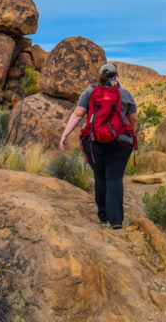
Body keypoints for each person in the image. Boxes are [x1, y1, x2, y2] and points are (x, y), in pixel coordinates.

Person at [60, 63, 138, 229]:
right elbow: (134, 118)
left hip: (95, 141)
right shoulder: (125, 93)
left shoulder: (90, 92)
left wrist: (65, 134)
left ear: (100, 76)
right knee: (115, 178)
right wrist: (131, 133)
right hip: (120, 141)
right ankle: (116, 221)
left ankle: (103, 216)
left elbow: (77, 114)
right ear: (116, 76)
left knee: (100, 178)